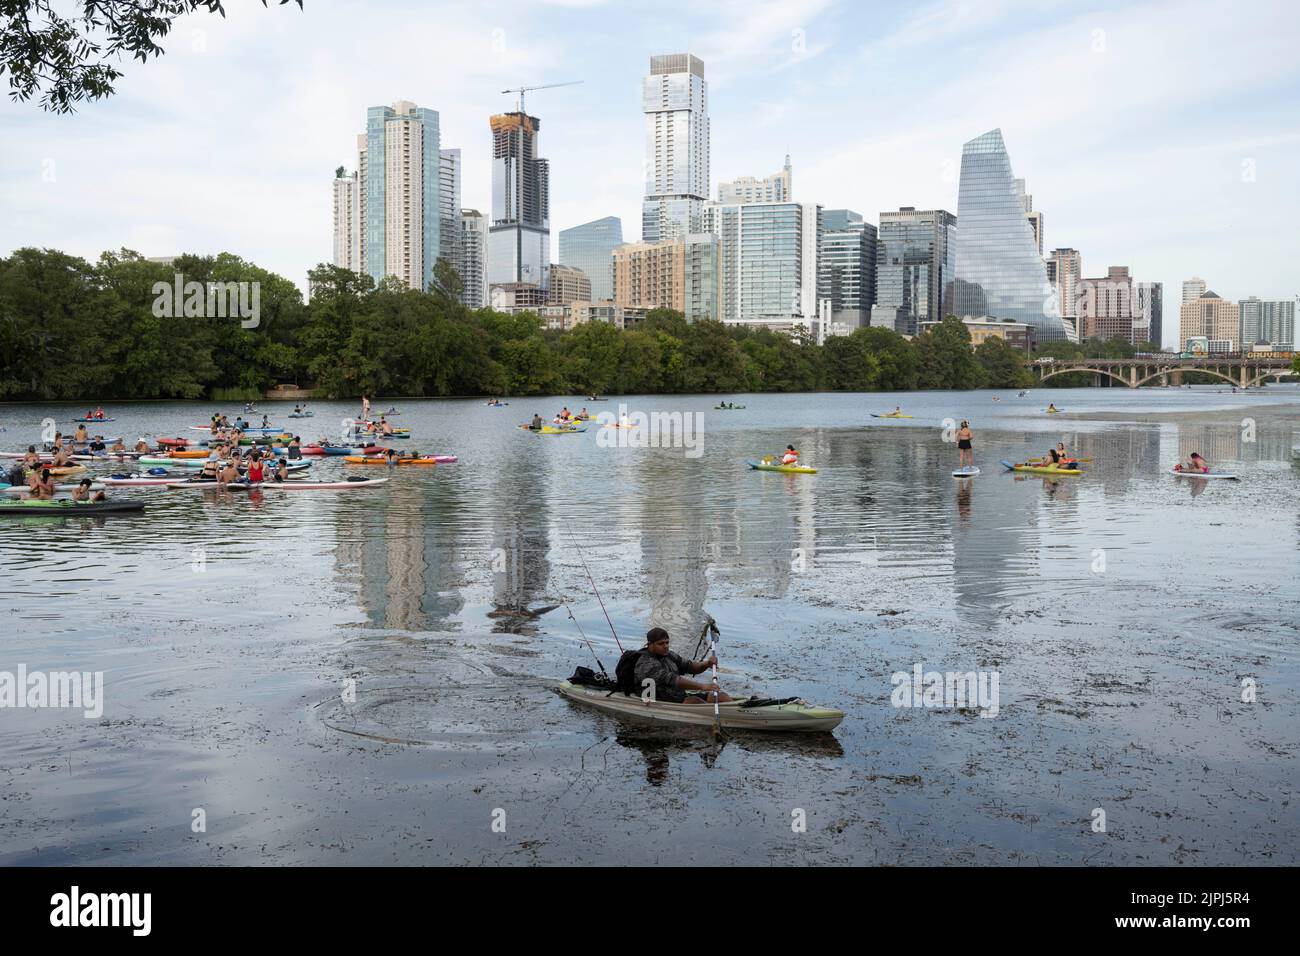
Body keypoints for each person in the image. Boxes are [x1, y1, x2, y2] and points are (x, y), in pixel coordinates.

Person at [631, 627, 729, 705]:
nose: (665, 646)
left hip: (678, 697)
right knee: (694, 701)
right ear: (650, 645)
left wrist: (707, 664)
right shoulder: (646, 664)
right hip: (661, 701)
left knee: (719, 696)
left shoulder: (669, 654)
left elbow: (690, 667)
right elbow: (673, 680)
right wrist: (702, 686)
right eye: (660, 644)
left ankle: (737, 709)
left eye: (667, 642)